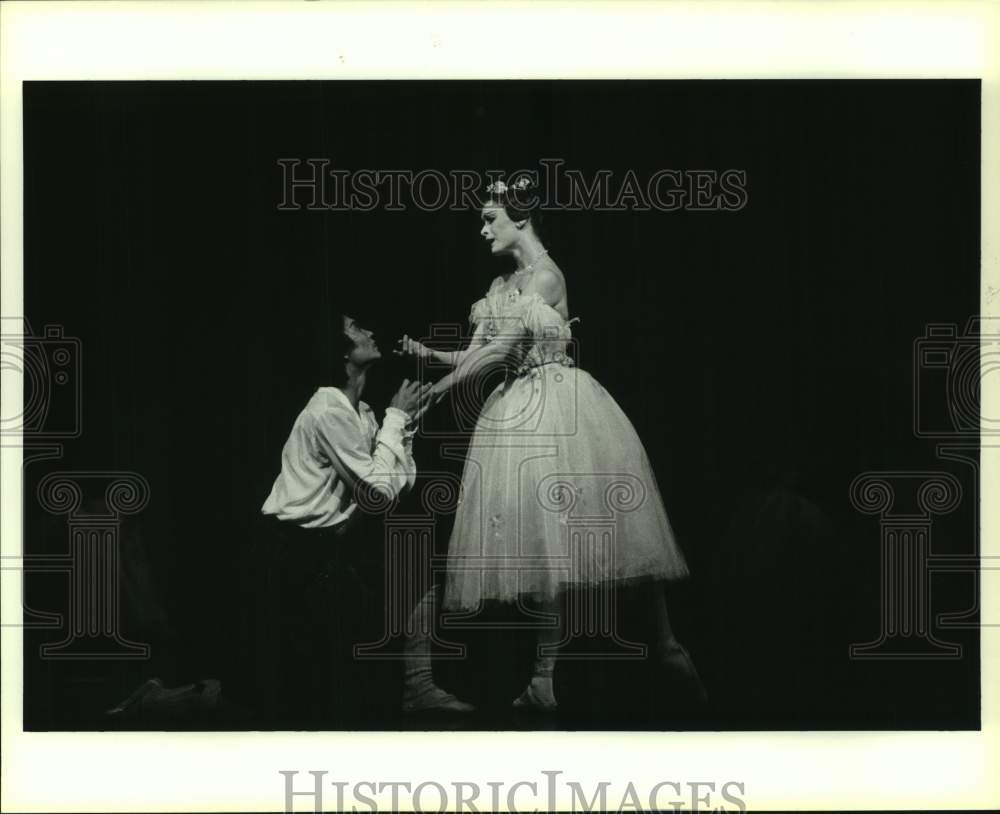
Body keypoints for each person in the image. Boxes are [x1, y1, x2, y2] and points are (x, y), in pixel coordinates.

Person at [398, 177, 704, 712]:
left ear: (519, 219)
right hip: (518, 408)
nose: (483, 227)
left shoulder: (546, 278)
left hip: (561, 404)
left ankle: (666, 645)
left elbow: (502, 350)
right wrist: (428, 355)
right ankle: (545, 676)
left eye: (490, 217)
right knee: (545, 543)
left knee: (611, 531)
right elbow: (476, 351)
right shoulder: (500, 286)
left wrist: (443, 390)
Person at [258, 313, 475, 722]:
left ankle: (418, 685)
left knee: (419, 564)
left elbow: (395, 485)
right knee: (288, 695)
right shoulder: (328, 410)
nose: (370, 331)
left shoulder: (361, 413)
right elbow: (377, 493)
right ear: (342, 352)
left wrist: (403, 425)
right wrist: (395, 420)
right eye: (357, 328)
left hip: (334, 543)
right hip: (297, 550)